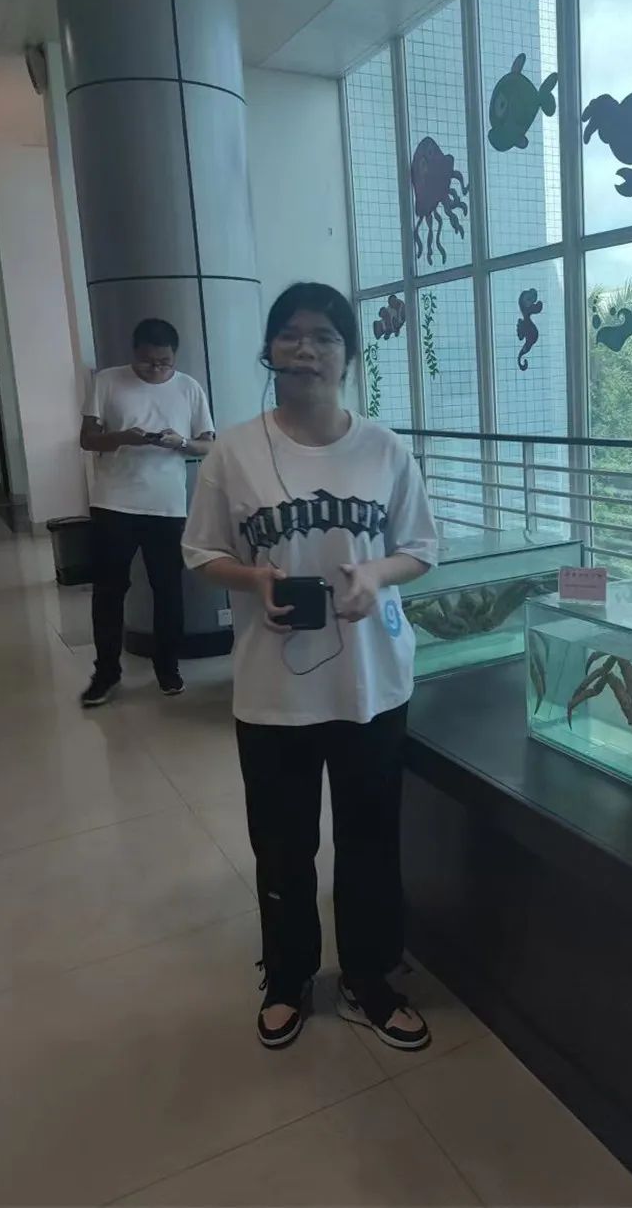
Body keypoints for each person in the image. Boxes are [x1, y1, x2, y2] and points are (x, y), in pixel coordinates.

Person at [181, 282, 438, 1053]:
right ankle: (289, 975)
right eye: (290, 334)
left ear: (348, 354)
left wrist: (374, 575)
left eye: (325, 336)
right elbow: (201, 551)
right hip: (273, 691)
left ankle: (368, 977)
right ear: (269, 350)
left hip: (372, 683)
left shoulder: (385, 449)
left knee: (370, 840)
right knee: (284, 845)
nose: (306, 348)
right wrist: (253, 579)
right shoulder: (233, 452)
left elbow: (419, 548)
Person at [80, 318, 215, 707]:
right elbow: (87, 439)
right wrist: (123, 438)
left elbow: (209, 444)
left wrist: (180, 443)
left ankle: (167, 667)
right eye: (147, 362)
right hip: (112, 502)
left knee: (168, 589)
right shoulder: (108, 381)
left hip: (166, 505)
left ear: (175, 357)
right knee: (109, 591)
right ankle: (106, 672)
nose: (156, 369)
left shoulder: (189, 388)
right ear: (133, 353)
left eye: (164, 362)